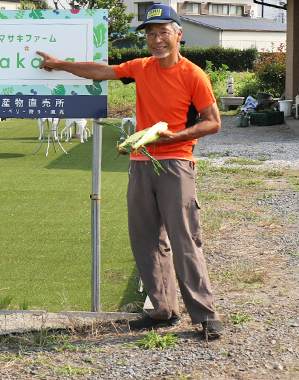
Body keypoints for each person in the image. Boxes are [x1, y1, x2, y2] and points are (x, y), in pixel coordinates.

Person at [37, 4, 224, 338]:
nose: (156, 39)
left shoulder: (194, 75)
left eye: (163, 32)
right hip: (140, 163)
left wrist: (176, 136)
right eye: (150, 34)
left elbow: (213, 122)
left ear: (178, 34)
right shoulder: (141, 67)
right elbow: (101, 71)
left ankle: (205, 315)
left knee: (184, 241)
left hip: (177, 163)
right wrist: (59, 65)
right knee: (146, 240)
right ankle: (163, 310)